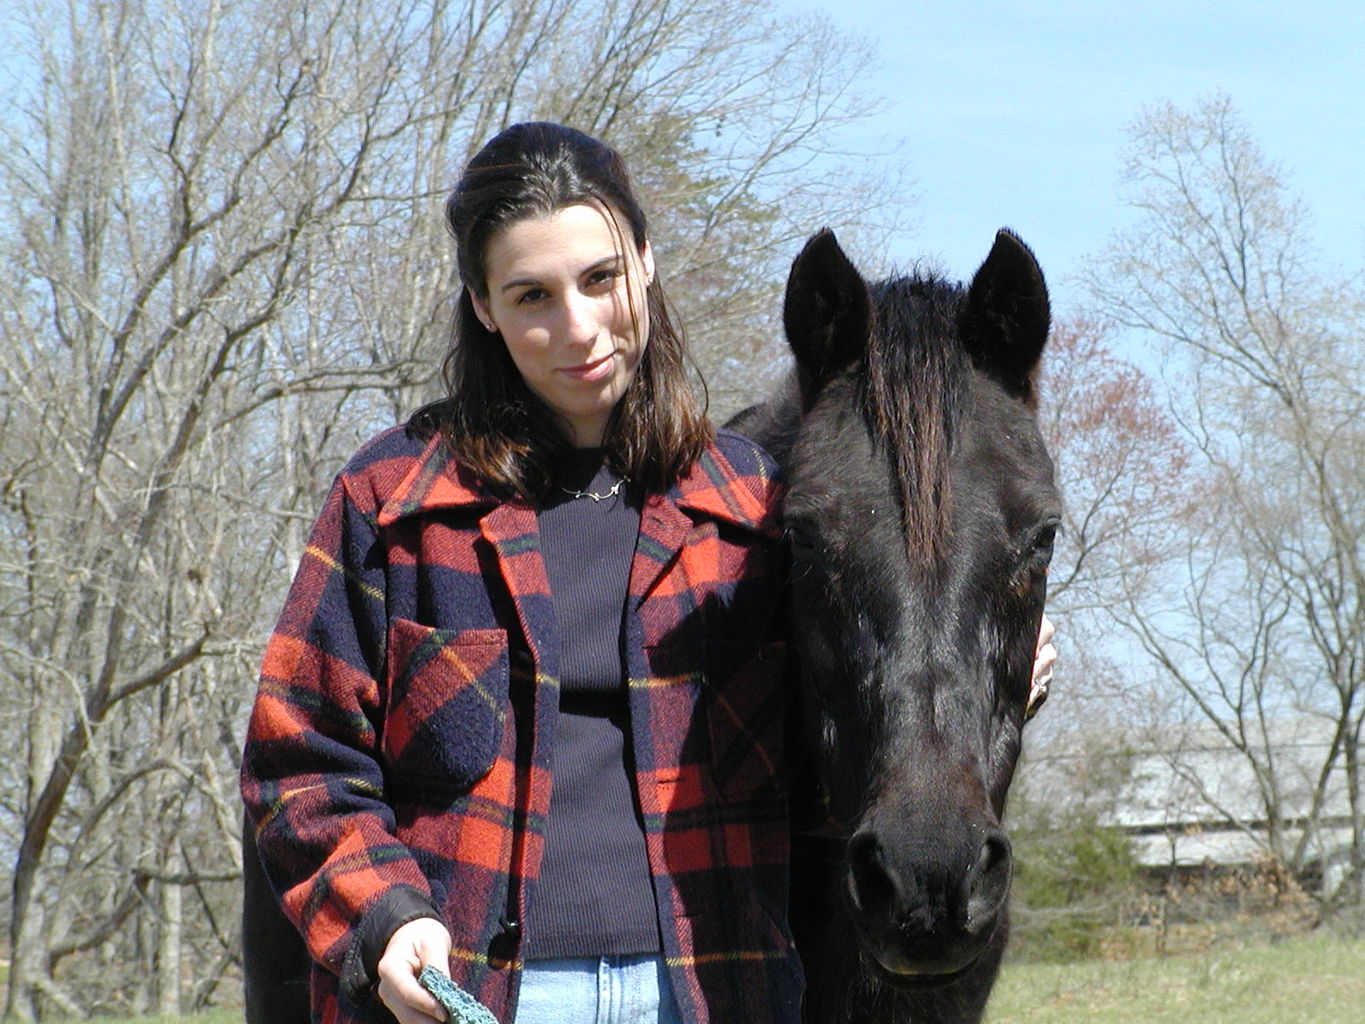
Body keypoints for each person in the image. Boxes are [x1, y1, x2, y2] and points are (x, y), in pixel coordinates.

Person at [240, 121, 1059, 1024]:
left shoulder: (745, 509)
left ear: (645, 260)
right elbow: (297, 760)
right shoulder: (393, 503)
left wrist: (989, 686)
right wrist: (385, 920)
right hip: (476, 992)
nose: (577, 328)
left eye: (599, 279)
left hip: (704, 990)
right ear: (482, 305)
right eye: (531, 296)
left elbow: (826, 753)